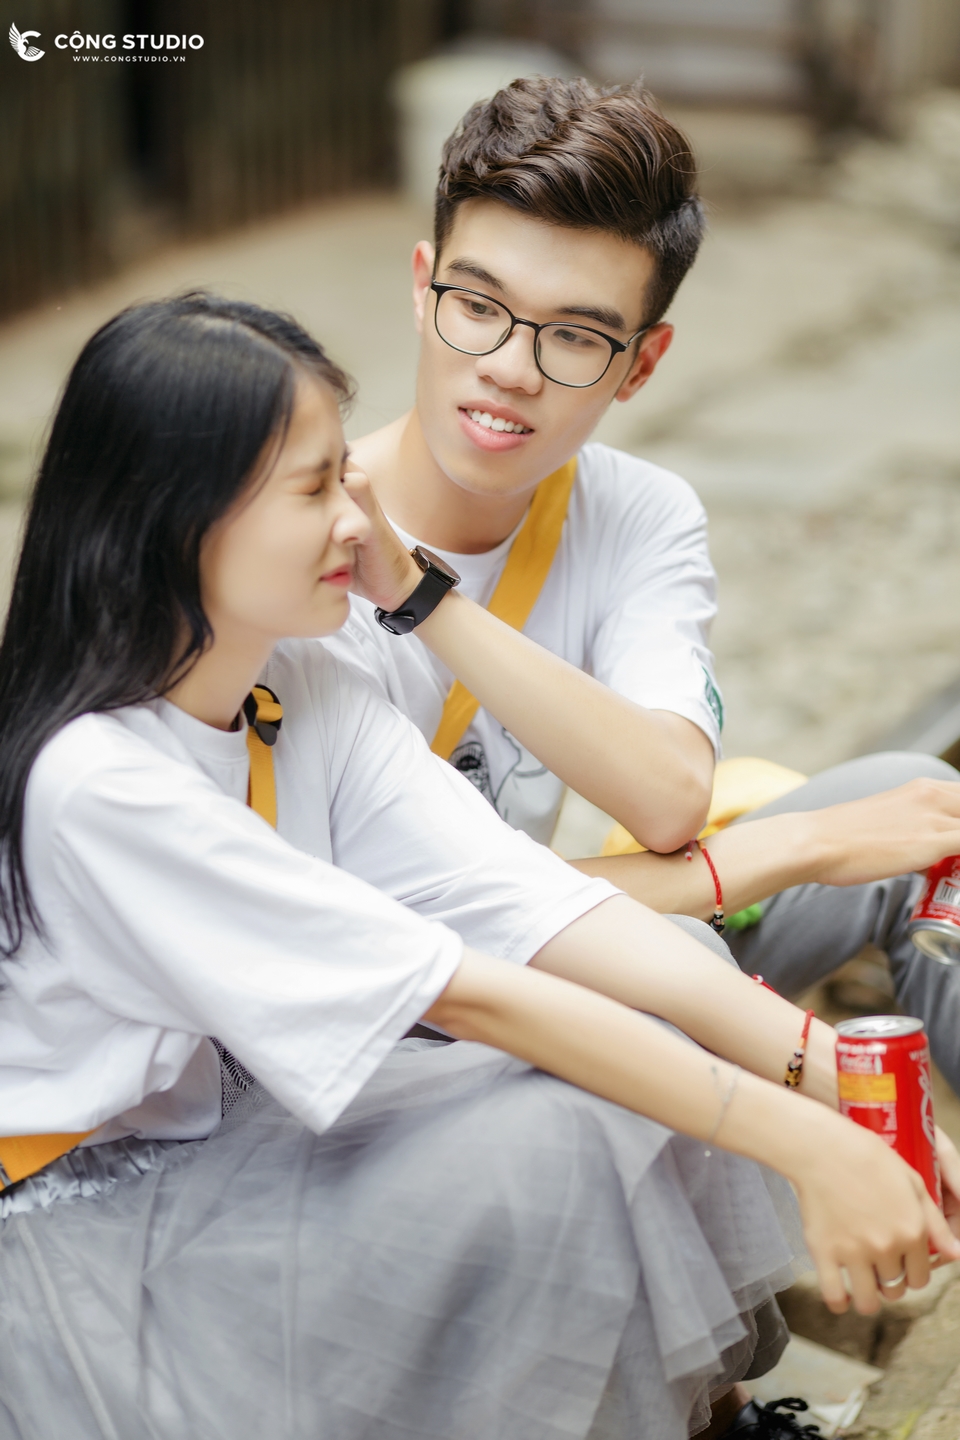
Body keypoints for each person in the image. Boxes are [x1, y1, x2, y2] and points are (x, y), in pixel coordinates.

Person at [1, 294, 957, 1440]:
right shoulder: (99, 783)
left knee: (646, 1011)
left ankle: (713, 1413)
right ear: (179, 515)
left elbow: (543, 906)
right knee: (555, 1135)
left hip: (234, 1128)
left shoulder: (297, 685)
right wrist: (810, 1139)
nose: (360, 522)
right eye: (314, 488)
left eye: (345, 477)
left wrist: (839, 1078)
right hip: (95, 1224)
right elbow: (471, 991)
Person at [322, 75, 960, 1089]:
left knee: (925, 810)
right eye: (478, 307)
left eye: (576, 336)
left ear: (642, 364)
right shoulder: (307, 535)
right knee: (675, 967)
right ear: (421, 287)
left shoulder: (635, 513)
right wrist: (779, 851)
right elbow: (373, 927)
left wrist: (421, 598)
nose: (511, 368)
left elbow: (668, 798)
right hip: (389, 1032)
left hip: (557, 942)